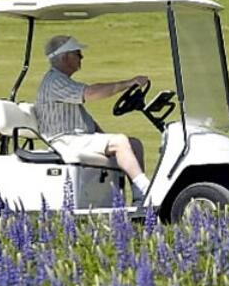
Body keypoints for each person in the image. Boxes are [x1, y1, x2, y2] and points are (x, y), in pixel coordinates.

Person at [34, 34, 153, 200]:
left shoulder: (63, 82)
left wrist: (104, 137)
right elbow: (91, 93)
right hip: (65, 140)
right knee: (119, 141)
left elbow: (86, 120)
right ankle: (146, 190)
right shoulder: (55, 82)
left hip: (77, 137)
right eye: (78, 54)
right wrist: (127, 83)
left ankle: (139, 197)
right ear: (65, 57)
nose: (81, 58)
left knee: (134, 144)